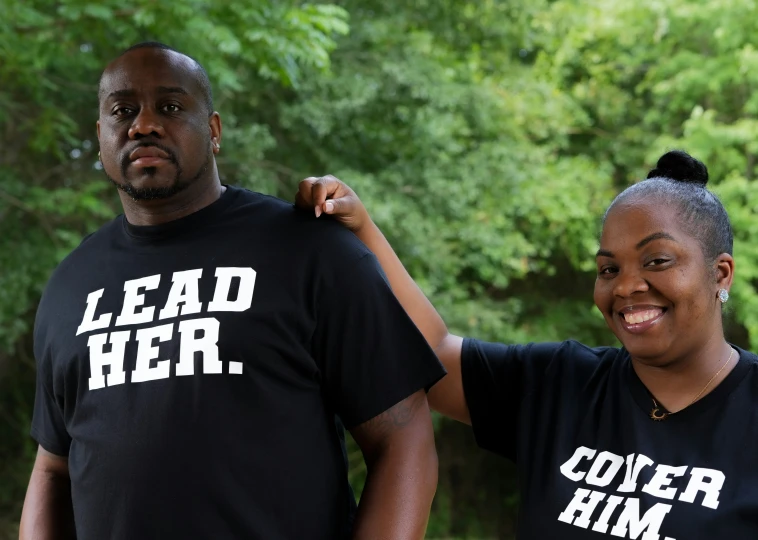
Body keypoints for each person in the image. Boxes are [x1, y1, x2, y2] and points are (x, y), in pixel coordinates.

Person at [19, 42, 446, 540]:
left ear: (214, 130)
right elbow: (52, 468)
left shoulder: (307, 250)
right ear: (101, 137)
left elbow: (403, 435)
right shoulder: (71, 283)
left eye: (172, 107)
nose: (144, 125)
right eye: (123, 111)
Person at [295, 150, 758, 539]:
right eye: (608, 269)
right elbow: (433, 356)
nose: (626, 287)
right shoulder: (560, 383)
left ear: (720, 274)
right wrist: (362, 230)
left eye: (657, 261)